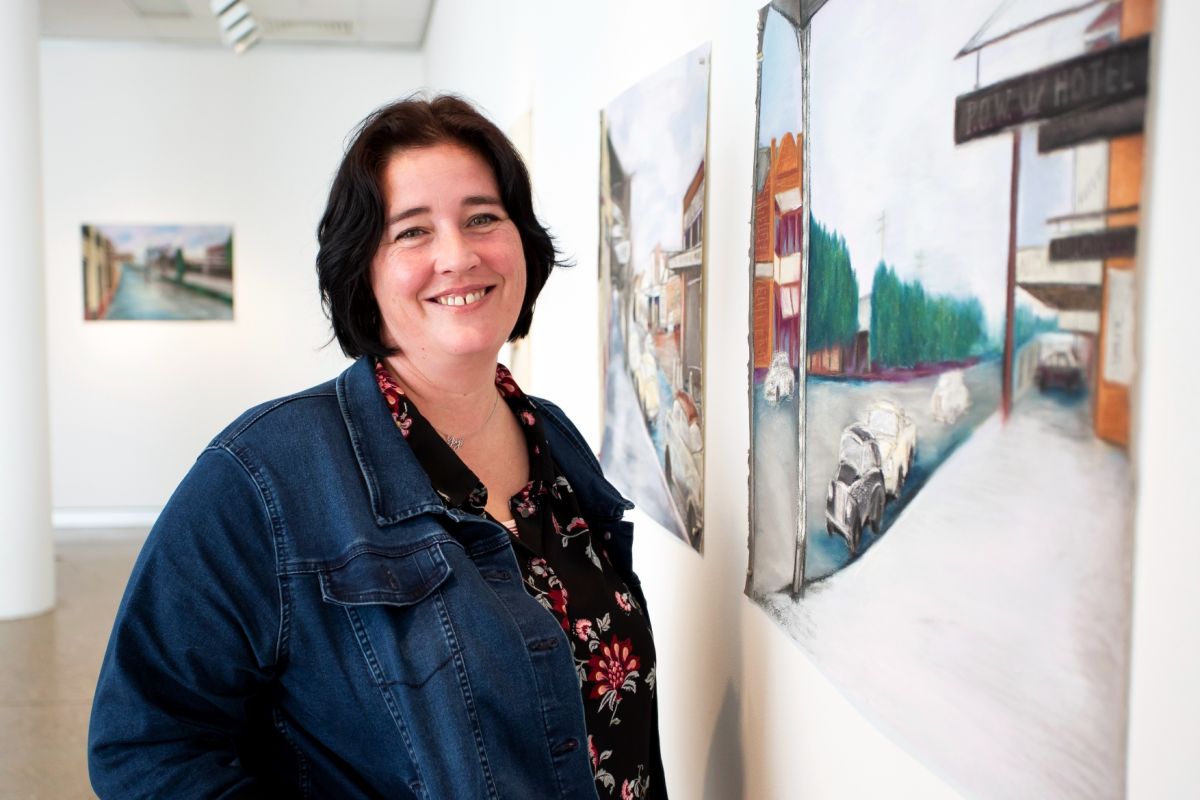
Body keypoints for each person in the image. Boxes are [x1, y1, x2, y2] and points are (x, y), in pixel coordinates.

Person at [88, 95, 666, 799]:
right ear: (362, 268)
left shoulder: (557, 439)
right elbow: (145, 744)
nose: (458, 255)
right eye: (412, 232)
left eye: (483, 217)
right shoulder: (262, 477)